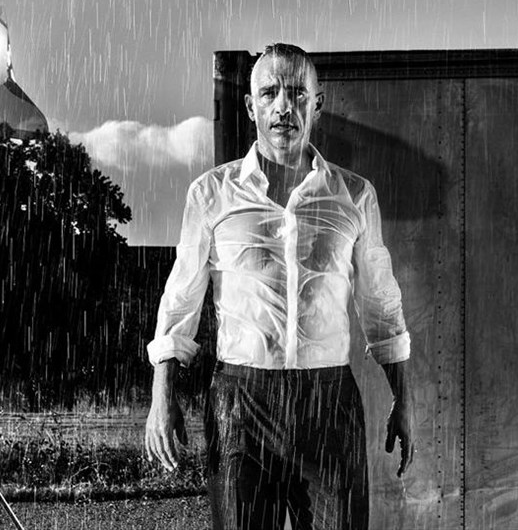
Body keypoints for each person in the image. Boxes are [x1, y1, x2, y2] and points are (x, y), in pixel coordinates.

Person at [144, 43, 414, 529]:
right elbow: (181, 300)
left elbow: (381, 306)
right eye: (270, 93)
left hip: (328, 404)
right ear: (251, 107)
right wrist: (161, 395)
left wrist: (404, 398)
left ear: (318, 103)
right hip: (241, 403)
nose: (284, 107)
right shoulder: (211, 194)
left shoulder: (354, 195)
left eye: (297, 93)